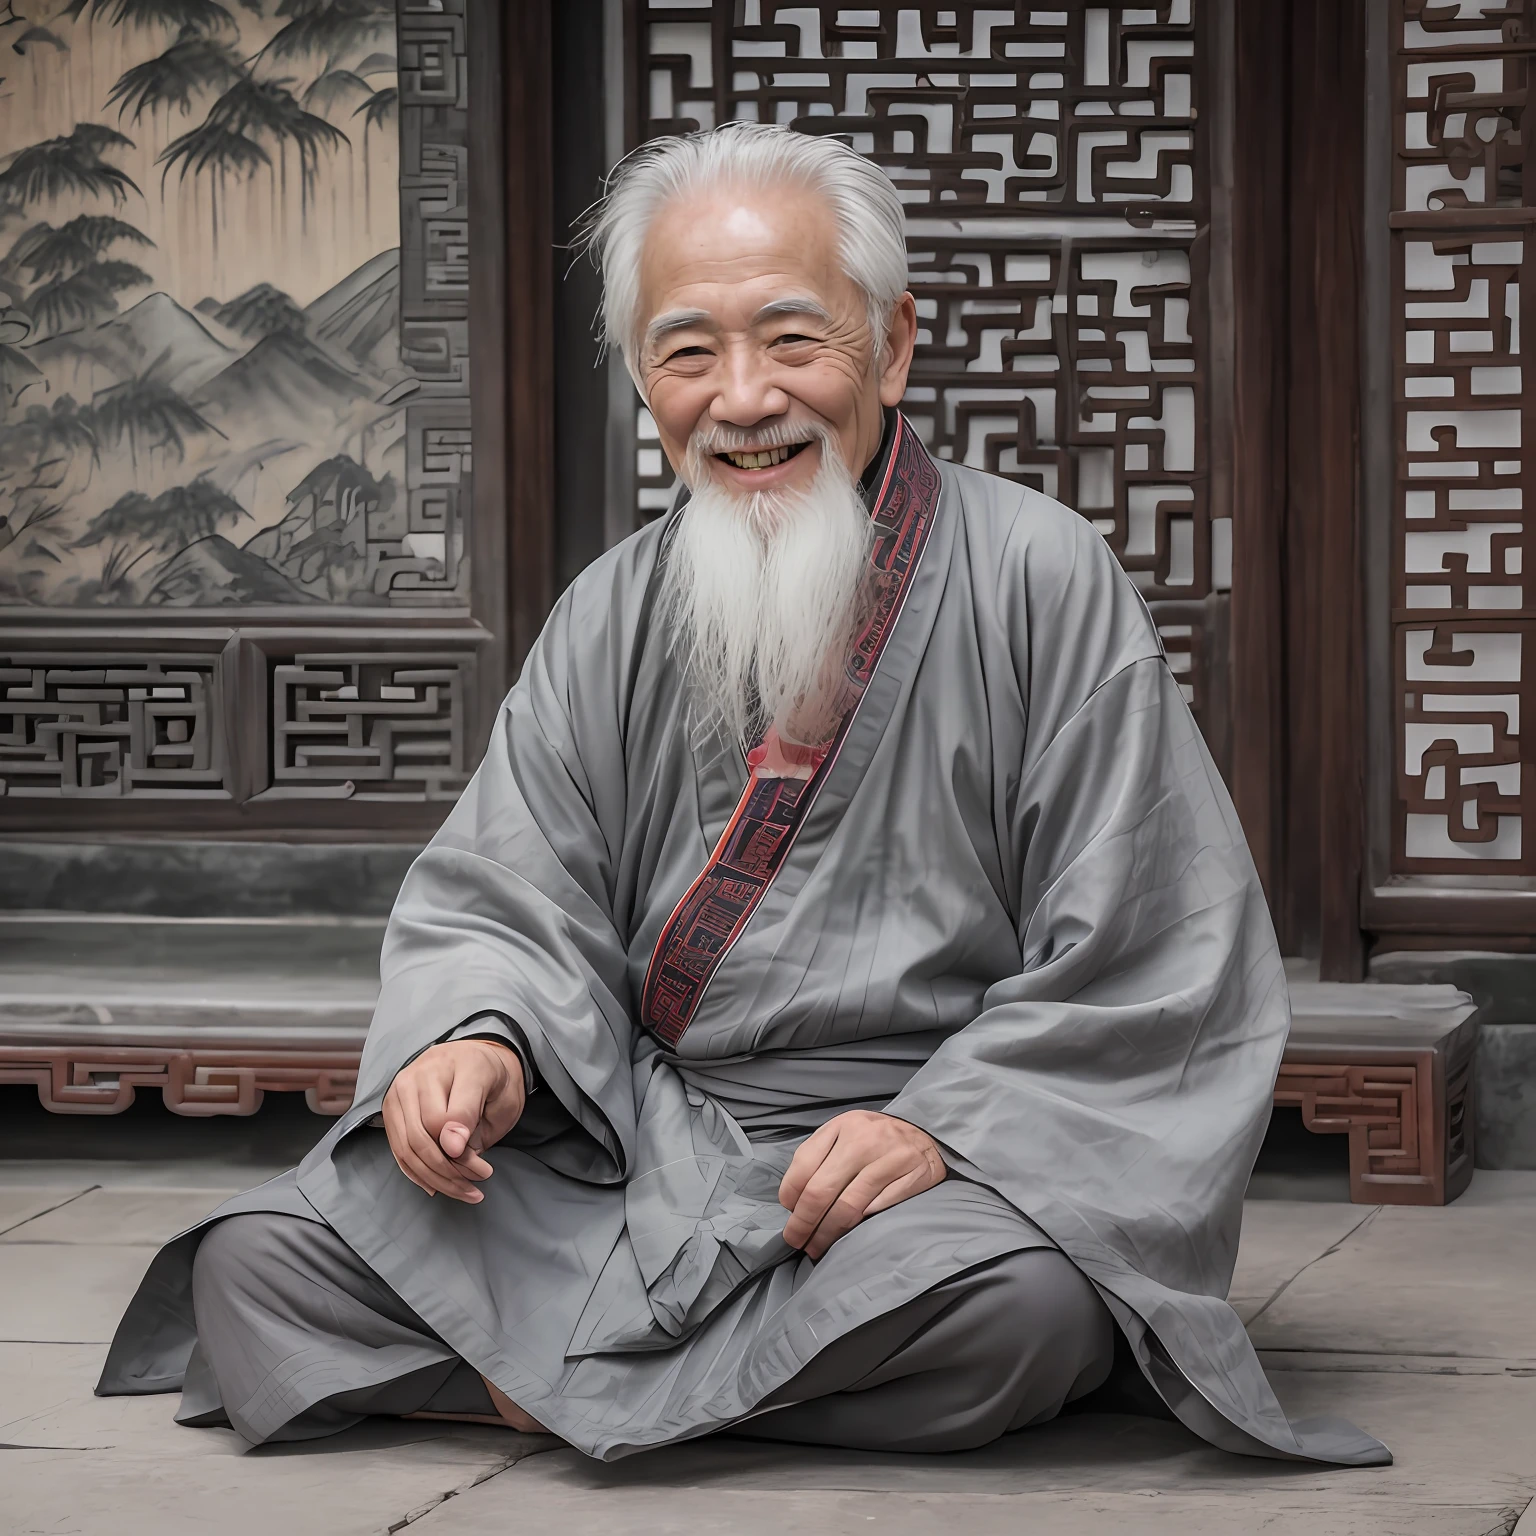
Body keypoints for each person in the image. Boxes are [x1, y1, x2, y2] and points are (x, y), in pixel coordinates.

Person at [98, 122, 1387, 1467]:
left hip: (900, 1173)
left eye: (791, 340)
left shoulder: (1040, 581)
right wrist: (474, 1040)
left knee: (1024, 1308)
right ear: (643, 380)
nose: (743, 398)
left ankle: (529, 1383)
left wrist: (940, 1128)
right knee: (261, 1266)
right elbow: (506, 892)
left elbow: (1156, 952)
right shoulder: (609, 613)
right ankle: (713, 1390)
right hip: (637, 1145)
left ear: (889, 347)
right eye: (688, 350)